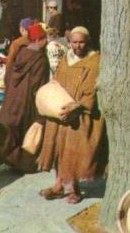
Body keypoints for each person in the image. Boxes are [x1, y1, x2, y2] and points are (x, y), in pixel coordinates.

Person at [38, 26, 106, 204]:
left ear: (88, 41)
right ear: (69, 42)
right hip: (61, 110)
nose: (78, 46)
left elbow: (95, 89)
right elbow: (57, 81)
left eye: (81, 42)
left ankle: (73, 190)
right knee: (59, 149)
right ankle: (59, 185)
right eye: (74, 42)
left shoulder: (95, 61)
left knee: (73, 152)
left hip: (81, 113)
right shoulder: (66, 59)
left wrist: (78, 106)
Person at [0, 23, 50, 175]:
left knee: (10, 130)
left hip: (12, 99)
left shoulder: (21, 53)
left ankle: (1, 158)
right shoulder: (40, 58)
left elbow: (9, 74)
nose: (46, 42)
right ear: (38, 40)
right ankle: (4, 159)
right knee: (24, 130)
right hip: (27, 100)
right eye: (44, 39)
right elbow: (38, 83)